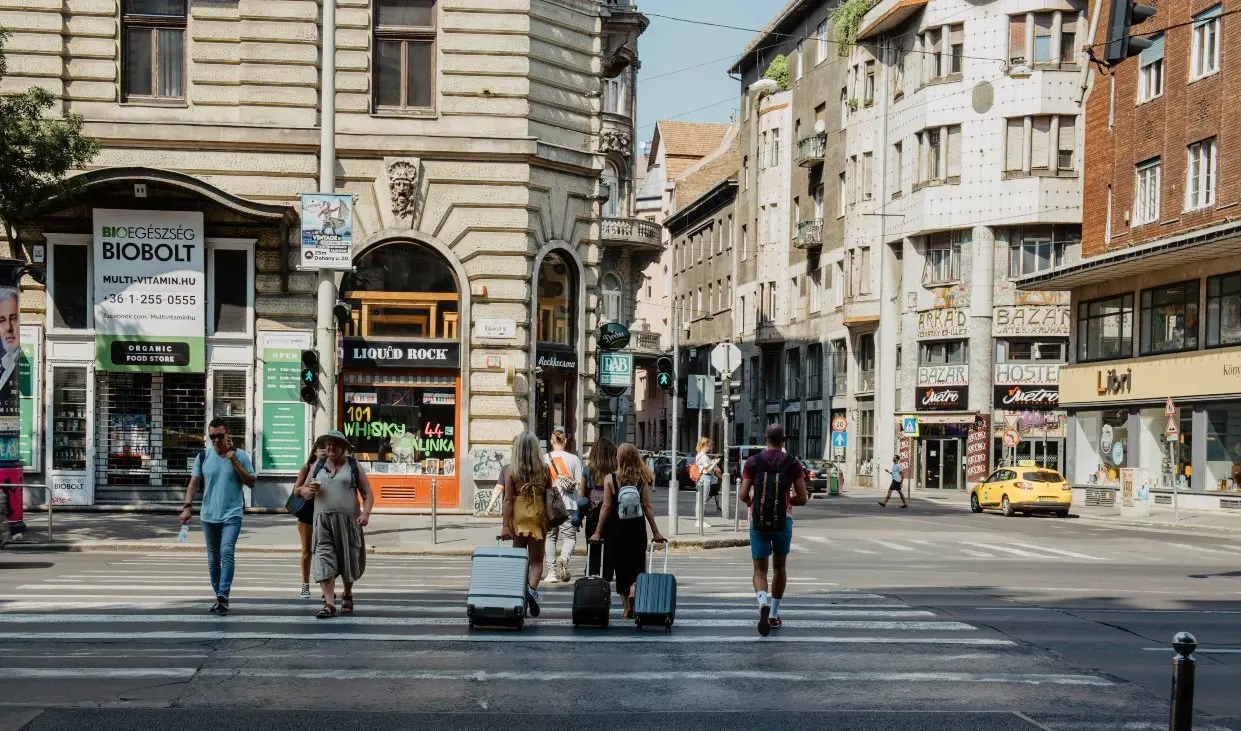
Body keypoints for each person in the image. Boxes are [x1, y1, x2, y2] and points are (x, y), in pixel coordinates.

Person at [179, 418, 257, 614]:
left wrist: (235, 462)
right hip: (209, 515)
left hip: (232, 514)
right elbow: (193, 483)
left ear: (227, 435)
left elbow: (251, 482)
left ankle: (223, 594)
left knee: (227, 552)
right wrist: (187, 507)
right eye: (211, 437)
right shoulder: (203, 456)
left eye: (219, 436)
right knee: (213, 559)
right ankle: (219, 597)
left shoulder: (240, 455)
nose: (215, 440)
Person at [740, 423, 808, 636]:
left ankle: (762, 603)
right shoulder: (792, 463)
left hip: (758, 520)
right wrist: (785, 500)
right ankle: (774, 614)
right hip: (783, 520)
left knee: (760, 570)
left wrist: (754, 503)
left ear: (765, 438)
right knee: (780, 567)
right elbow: (803, 498)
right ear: (784, 439)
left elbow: (743, 494)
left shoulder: (753, 462)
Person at [300, 430, 373, 618]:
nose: (330, 447)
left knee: (348, 559)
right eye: (328, 444)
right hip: (322, 521)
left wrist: (365, 514)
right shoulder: (318, 465)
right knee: (323, 558)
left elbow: (368, 494)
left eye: (335, 444)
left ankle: (347, 594)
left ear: (343, 448)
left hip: (348, 522)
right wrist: (308, 491)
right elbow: (301, 488)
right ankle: (330, 604)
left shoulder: (353, 466)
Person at [590, 443, 665, 620]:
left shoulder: (611, 478)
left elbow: (606, 507)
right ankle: (634, 590)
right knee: (638, 565)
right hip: (637, 528)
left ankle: (625, 609)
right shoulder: (641, 478)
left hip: (616, 528)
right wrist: (655, 532)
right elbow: (646, 506)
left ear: (619, 457)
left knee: (621, 567)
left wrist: (598, 532)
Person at [501, 431, 550, 617]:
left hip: (518, 514)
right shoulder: (544, 469)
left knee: (520, 559)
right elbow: (549, 494)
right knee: (537, 561)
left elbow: (507, 499)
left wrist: (505, 525)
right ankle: (530, 590)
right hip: (538, 513)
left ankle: (520, 597)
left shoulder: (511, 470)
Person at [543, 429, 584, 583]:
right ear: (565, 441)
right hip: (570, 504)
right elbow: (580, 484)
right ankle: (565, 557)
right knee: (570, 538)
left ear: (552, 441)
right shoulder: (574, 459)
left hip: (550, 504)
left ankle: (552, 572)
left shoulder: (544, 458)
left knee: (550, 537)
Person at [292, 436, 328, 599]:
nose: (325, 453)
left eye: (327, 450)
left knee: (324, 551)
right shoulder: (307, 467)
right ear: (315, 451)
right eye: (322, 450)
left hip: (325, 512)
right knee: (307, 551)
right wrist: (304, 490)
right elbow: (296, 490)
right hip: (307, 512)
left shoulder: (332, 467)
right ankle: (305, 586)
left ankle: (326, 588)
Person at [583, 438, 617, 576]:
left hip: (593, 513)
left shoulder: (587, 470)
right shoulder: (616, 472)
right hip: (612, 514)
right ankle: (606, 574)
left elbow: (582, 495)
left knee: (592, 548)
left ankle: (591, 574)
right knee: (609, 548)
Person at [694, 437, 722, 518]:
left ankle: (698, 519)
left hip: (700, 478)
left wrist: (711, 463)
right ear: (704, 445)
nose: (710, 447)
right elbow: (708, 470)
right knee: (703, 501)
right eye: (709, 445)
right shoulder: (704, 457)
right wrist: (715, 463)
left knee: (699, 500)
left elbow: (704, 468)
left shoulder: (698, 455)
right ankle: (700, 521)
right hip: (705, 478)